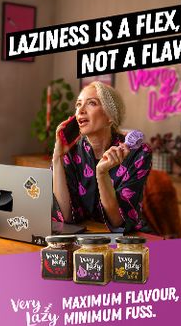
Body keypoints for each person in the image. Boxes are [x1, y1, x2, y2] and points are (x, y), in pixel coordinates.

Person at [49, 81, 152, 233]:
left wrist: (102, 174)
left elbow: (118, 222)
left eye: (91, 103)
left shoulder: (138, 153)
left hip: (127, 239)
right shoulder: (70, 152)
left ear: (110, 116)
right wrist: (57, 157)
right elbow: (64, 217)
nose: (80, 111)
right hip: (84, 236)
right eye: (78, 104)